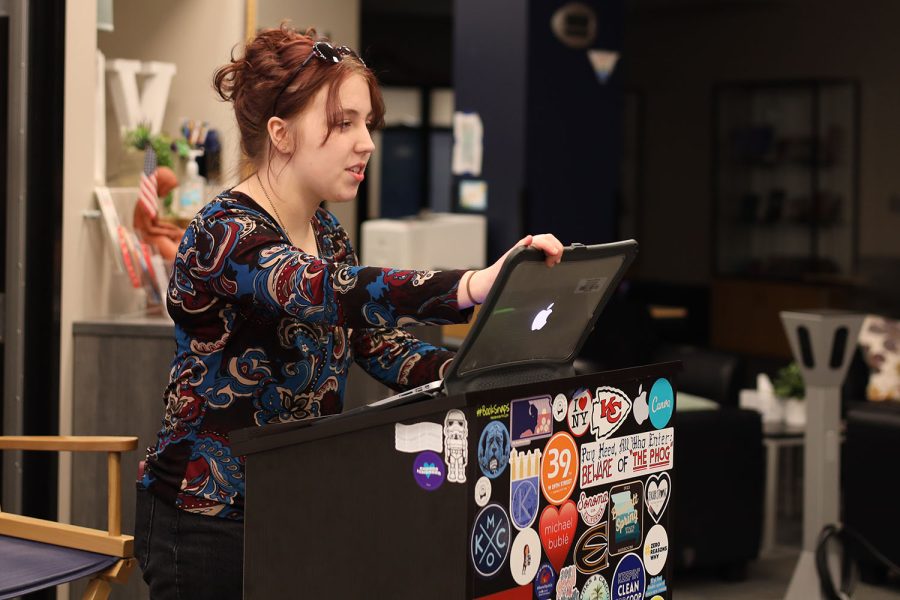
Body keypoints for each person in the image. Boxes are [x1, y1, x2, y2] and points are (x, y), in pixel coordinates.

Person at [134, 24, 563, 599]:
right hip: (205, 517)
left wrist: (471, 373)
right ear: (281, 134)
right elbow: (326, 291)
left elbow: (374, 344)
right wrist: (474, 284)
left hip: (298, 501)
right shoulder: (224, 230)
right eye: (343, 123)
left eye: (366, 123)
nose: (366, 142)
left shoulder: (327, 232)